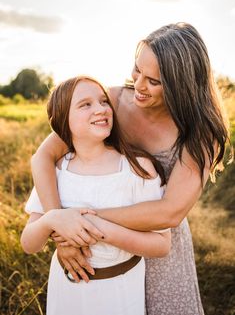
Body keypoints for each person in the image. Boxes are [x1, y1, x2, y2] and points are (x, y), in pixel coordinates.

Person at [30, 23, 230, 315]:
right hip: (97, 251)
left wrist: (82, 223)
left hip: (156, 244)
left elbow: (170, 212)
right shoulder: (109, 102)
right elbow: (43, 157)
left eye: (154, 81)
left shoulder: (200, 132)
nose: (138, 85)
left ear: (181, 85)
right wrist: (61, 228)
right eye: (137, 70)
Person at [21, 76, 171, 315]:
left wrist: (98, 228)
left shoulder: (137, 168)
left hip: (120, 291)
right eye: (85, 104)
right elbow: (29, 243)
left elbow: (162, 244)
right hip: (66, 290)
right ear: (62, 120)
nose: (101, 109)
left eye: (103, 101)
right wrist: (52, 219)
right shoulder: (57, 171)